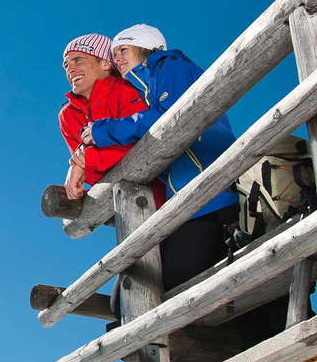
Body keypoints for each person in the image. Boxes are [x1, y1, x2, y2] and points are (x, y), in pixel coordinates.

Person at [79, 24, 237, 290]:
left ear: (146, 48)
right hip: (189, 197)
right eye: (114, 54)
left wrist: (102, 130)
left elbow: (166, 117)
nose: (117, 60)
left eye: (123, 50)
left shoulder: (169, 65)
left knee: (168, 277)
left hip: (210, 192)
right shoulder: (146, 85)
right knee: (137, 284)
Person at [57, 33, 151, 202]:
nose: (70, 69)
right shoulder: (68, 116)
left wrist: (88, 160)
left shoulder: (127, 90)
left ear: (105, 63)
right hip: (121, 202)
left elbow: (143, 138)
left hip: (160, 190)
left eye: (78, 60)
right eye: (66, 65)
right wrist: (80, 165)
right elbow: (91, 173)